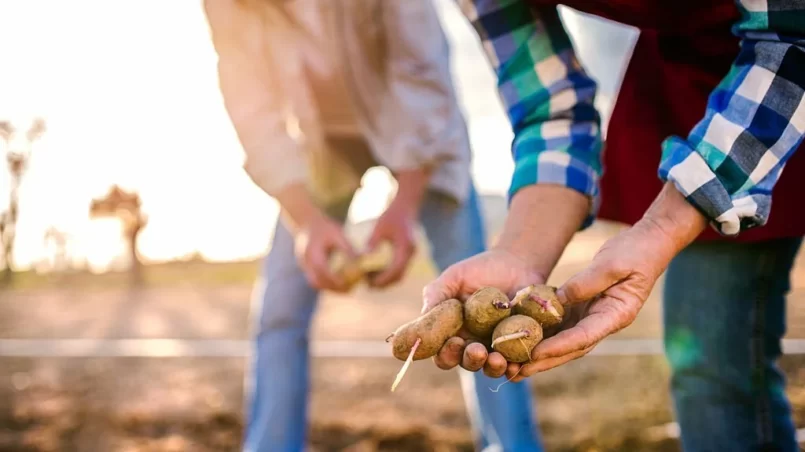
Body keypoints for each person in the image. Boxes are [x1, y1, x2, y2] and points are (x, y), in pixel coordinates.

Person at [427, 1, 805, 450]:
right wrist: (519, 254)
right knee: (712, 367)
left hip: (777, 77)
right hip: (701, 88)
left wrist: (662, 229)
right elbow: (552, 107)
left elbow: (792, 33)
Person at [202, 1, 544, 451]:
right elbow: (251, 109)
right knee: (279, 312)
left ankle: (514, 447)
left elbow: (421, 75)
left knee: (480, 301)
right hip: (322, 146)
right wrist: (306, 220)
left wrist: (404, 204)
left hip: (423, 138)